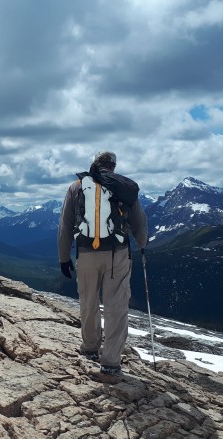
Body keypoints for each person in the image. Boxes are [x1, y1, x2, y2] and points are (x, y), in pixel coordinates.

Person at [57, 150, 148, 377]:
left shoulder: (77, 187)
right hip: (117, 254)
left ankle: (89, 349)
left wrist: (64, 257)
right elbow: (139, 222)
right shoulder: (123, 187)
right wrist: (142, 244)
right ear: (113, 166)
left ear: (94, 164)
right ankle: (111, 363)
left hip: (87, 254)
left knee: (88, 302)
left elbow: (65, 225)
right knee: (116, 307)